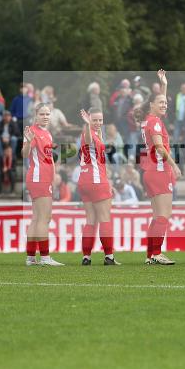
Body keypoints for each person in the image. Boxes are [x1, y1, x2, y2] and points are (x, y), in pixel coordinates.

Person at [138, 70, 182, 265]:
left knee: (157, 216)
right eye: (161, 103)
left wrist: (164, 83)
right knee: (164, 214)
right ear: (151, 105)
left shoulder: (149, 119)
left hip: (150, 171)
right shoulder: (154, 122)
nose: (164, 105)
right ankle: (156, 253)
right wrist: (174, 165)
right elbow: (159, 146)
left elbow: (159, 101)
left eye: (166, 103)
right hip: (159, 170)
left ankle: (150, 254)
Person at [76, 108, 120, 265]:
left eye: (100, 120)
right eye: (95, 120)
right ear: (89, 120)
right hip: (96, 181)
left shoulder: (97, 135)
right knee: (104, 218)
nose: (98, 123)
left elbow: (99, 161)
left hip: (84, 181)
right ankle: (109, 256)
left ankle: (86, 257)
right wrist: (88, 124)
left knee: (90, 220)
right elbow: (88, 140)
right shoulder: (89, 133)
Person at [23, 103, 63, 266]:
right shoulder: (33, 131)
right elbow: (24, 154)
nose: (45, 117)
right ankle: (45, 257)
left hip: (43, 178)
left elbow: (49, 159)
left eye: (48, 114)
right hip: (38, 178)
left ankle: (31, 257)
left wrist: (53, 176)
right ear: (36, 115)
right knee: (43, 218)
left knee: (37, 218)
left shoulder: (47, 133)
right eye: (42, 114)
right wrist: (27, 142)